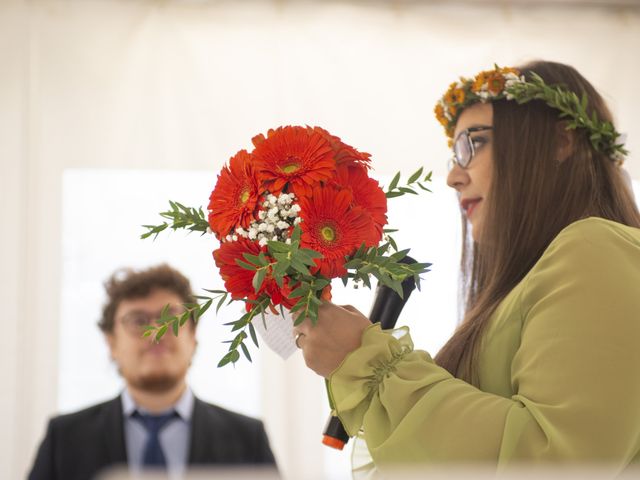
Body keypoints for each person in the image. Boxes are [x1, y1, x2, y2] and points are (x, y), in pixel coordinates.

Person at [293, 61, 640, 473]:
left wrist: (368, 361)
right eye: (454, 154)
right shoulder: (542, 275)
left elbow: (558, 461)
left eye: (472, 145)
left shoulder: (596, 248)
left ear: (559, 142)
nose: (454, 177)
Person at [29, 264, 276, 480]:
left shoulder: (248, 438)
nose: (157, 332)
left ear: (193, 336)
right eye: (138, 321)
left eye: (171, 318)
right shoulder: (64, 439)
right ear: (111, 342)